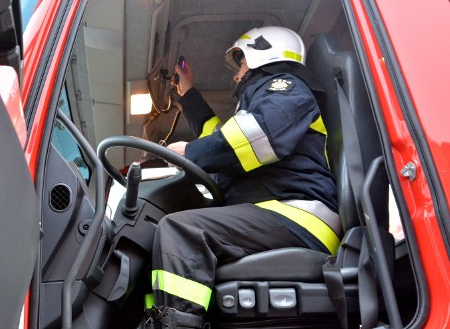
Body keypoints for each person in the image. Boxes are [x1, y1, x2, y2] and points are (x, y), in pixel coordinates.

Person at [145, 26, 340, 329]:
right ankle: (159, 317)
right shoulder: (267, 99)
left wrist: (191, 152)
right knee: (164, 237)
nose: (237, 76)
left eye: (241, 64)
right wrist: (188, 95)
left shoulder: (286, 87)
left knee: (180, 230)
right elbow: (222, 138)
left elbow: (254, 136)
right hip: (279, 210)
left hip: (299, 215)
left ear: (264, 51)